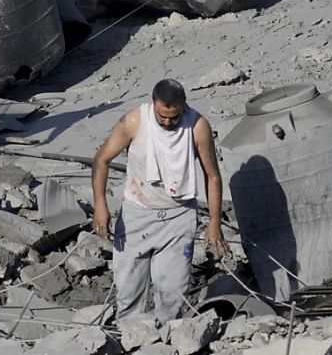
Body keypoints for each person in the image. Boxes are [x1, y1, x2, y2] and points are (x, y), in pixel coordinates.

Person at [92, 78, 230, 323]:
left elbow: (213, 176)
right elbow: (102, 159)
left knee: (173, 295)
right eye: (162, 116)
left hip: (179, 217)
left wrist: (214, 222)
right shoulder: (134, 121)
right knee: (129, 293)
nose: (167, 122)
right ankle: (127, 337)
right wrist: (100, 205)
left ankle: (168, 340)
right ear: (153, 103)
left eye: (173, 117)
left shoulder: (197, 126)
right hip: (137, 215)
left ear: (183, 107)